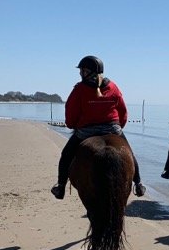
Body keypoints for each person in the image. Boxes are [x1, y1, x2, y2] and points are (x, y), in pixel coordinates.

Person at [51, 55, 146, 199]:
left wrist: (71, 125)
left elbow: (70, 111)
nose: (80, 74)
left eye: (82, 70)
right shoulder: (113, 86)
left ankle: (61, 186)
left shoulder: (80, 89)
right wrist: (119, 127)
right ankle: (138, 184)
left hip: (86, 131)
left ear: (89, 71)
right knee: (130, 154)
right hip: (112, 129)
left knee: (66, 155)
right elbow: (123, 111)